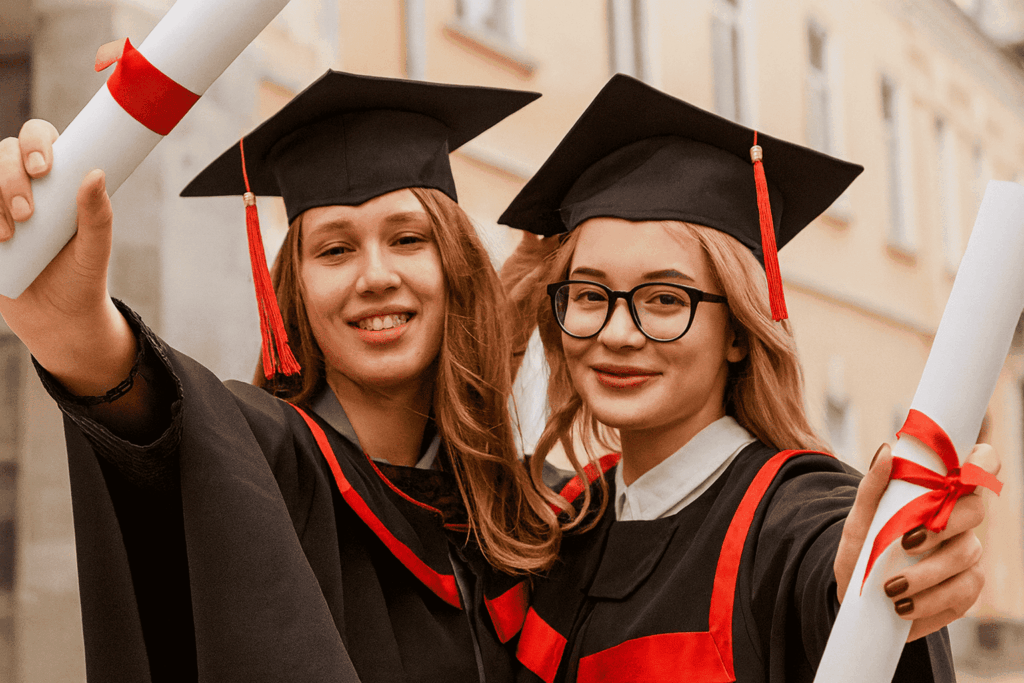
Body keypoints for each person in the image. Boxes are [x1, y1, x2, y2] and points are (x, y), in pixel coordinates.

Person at [0, 70, 559, 683]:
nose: (374, 276)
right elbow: (170, 426)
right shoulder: (264, 465)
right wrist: (77, 335)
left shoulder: (528, 514)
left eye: (406, 239)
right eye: (334, 250)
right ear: (292, 289)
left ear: (457, 267)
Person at [498, 74, 999, 683]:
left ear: (738, 331)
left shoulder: (791, 518)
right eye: (588, 294)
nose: (617, 333)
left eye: (663, 299)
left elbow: (830, 571)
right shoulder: (570, 517)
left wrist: (863, 590)